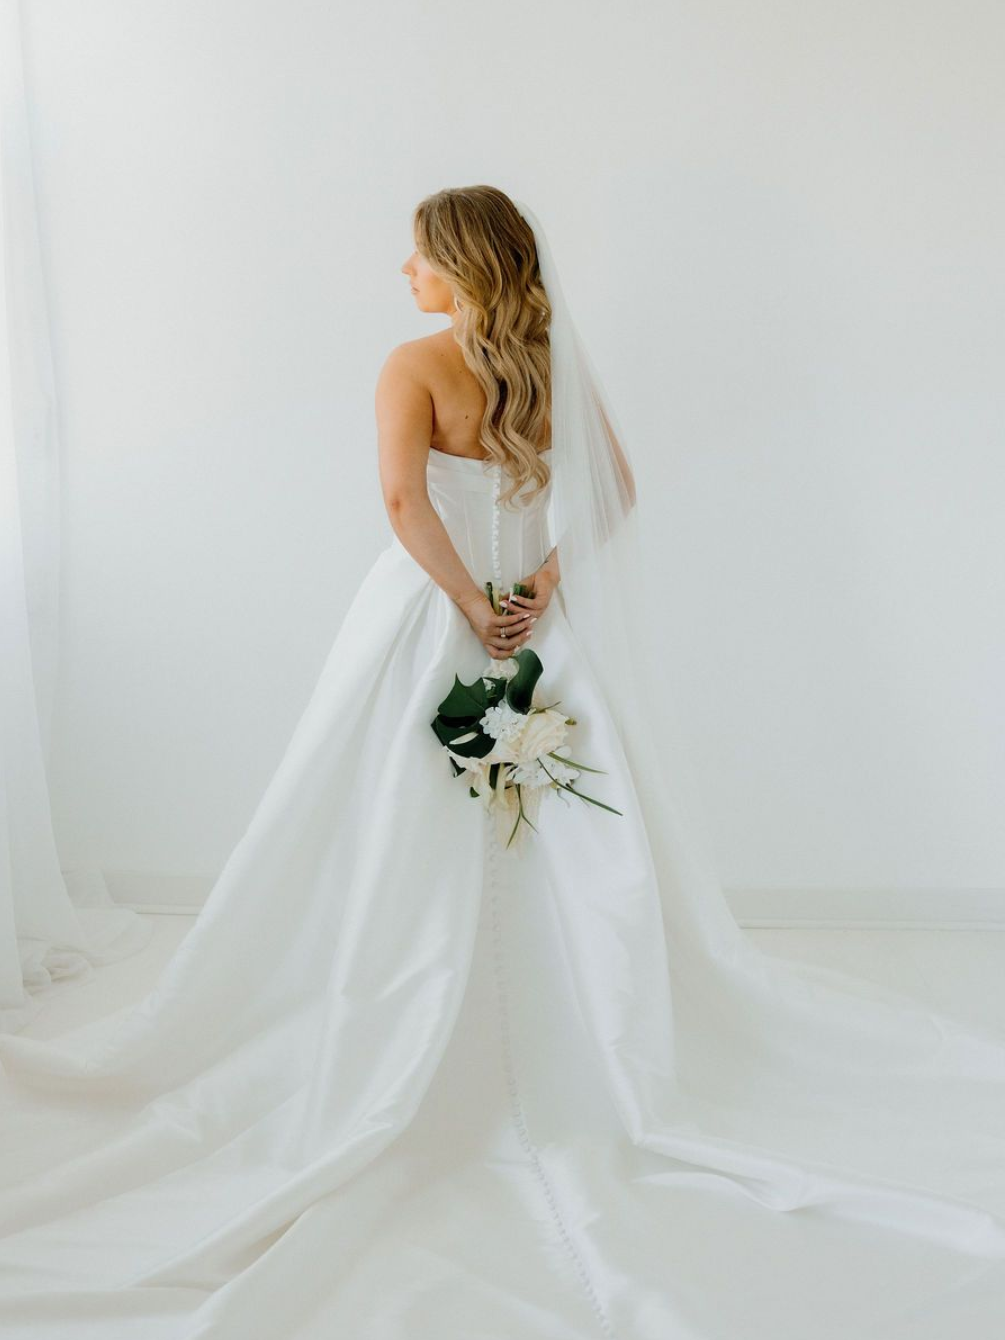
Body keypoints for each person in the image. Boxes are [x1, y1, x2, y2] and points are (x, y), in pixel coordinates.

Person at [1, 184, 1005, 1339]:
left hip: (437, 619)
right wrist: (534, 590)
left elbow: (399, 497)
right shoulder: (547, 358)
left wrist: (470, 606)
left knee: (387, 816)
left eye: (419, 256)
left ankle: (397, 1020)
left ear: (461, 265)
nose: (405, 275)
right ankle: (583, 1029)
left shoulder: (413, 365)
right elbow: (614, 489)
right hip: (534, 628)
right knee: (571, 832)